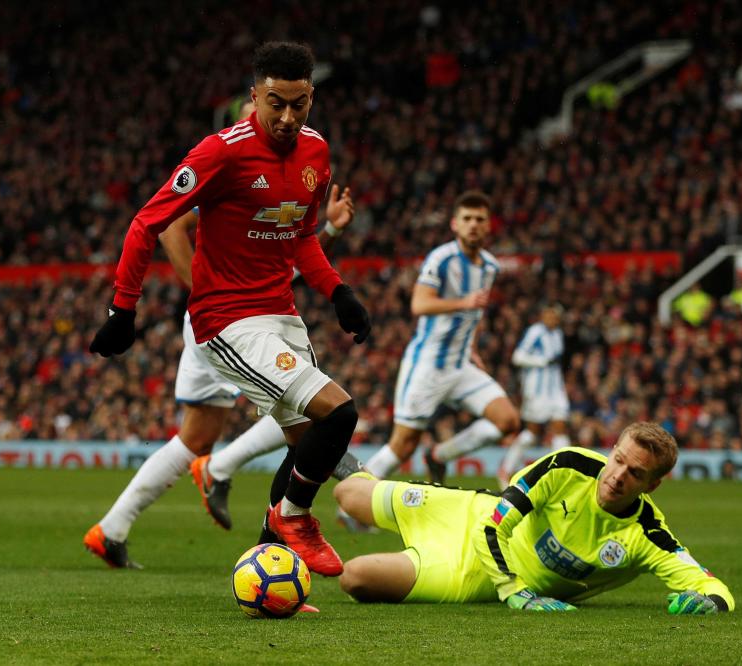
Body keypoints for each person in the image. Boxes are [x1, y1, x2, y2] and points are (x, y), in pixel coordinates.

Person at [88, 41, 371, 577]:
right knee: (339, 412)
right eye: (275, 103)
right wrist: (123, 310)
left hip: (281, 314)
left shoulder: (316, 152)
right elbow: (150, 221)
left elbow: (302, 235)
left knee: (308, 445)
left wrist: (338, 293)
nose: (288, 117)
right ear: (254, 96)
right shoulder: (221, 151)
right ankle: (292, 519)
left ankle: (270, 574)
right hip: (228, 321)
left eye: (300, 103)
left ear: (312, 96)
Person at [83, 180, 356, 568]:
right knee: (308, 419)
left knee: (198, 434)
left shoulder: (283, 180)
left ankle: (112, 529)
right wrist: (208, 293)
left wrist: (330, 231)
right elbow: (170, 225)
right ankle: (227, 471)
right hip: (225, 320)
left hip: (246, 314)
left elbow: (289, 259)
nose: (283, 119)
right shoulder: (235, 174)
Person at [333, 422, 735, 615]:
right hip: (467, 514)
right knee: (347, 494)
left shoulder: (647, 534)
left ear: (653, 486)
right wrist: (516, 593)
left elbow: (711, 585)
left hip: (467, 576)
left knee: (355, 577)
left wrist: (710, 604)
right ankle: (321, 441)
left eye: (635, 474)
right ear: (612, 450)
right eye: (618, 461)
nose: (617, 476)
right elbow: (493, 524)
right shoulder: (568, 465)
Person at [362, 190, 520, 484]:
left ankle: (439, 455)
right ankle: (350, 503)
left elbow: (476, 313)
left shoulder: (489, 266)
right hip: (428, 366)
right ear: (455, 224)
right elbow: (419, 304)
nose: (473, 224)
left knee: (508, 420)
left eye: (480, 219)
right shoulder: (441, 259)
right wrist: (464, 302)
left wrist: (472, 346)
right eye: (467, 219)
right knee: (403, 444)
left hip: (460, 366)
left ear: (488, 226)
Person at [497, 303, 570, 488]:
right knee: (532, 433)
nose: (551, 318)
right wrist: (542, 361)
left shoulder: (558, 334)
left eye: (554, 315)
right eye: (549, 314)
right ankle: (506, 469)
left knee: (561, 430)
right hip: (537, 391)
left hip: (555, 390)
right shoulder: (535, 332)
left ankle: (560, 476)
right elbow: (518, 357)